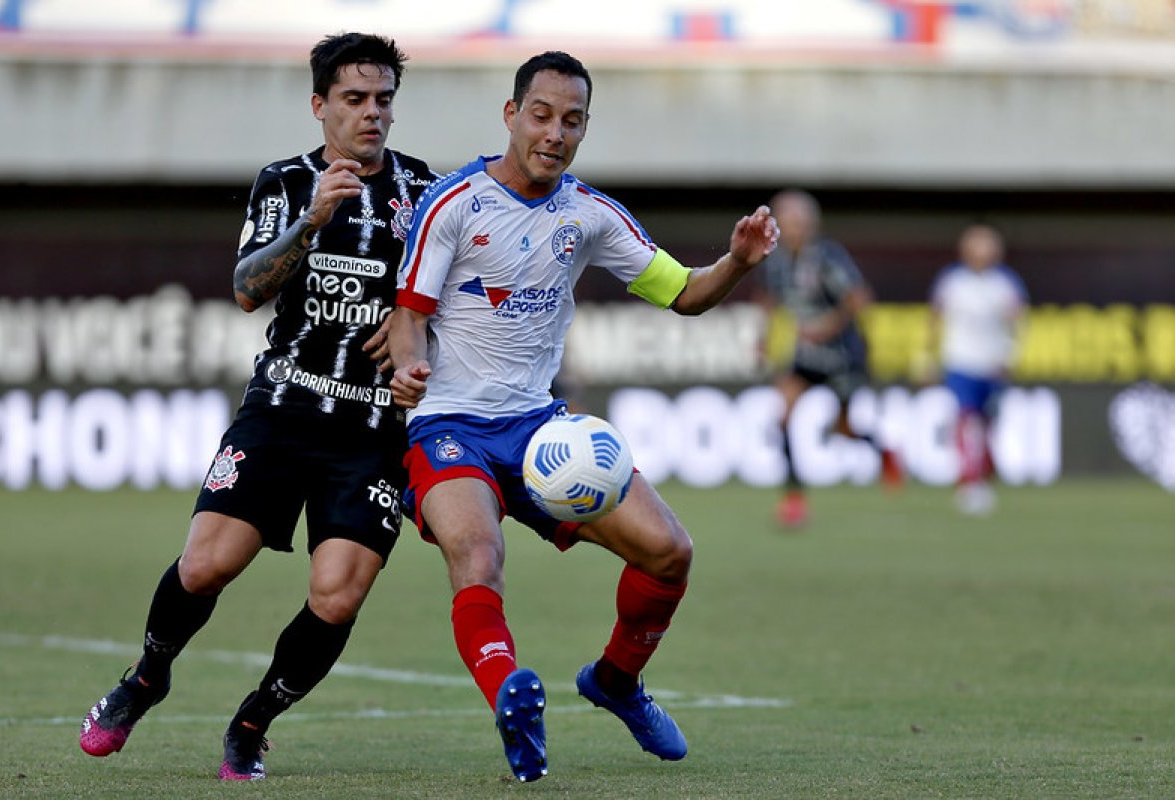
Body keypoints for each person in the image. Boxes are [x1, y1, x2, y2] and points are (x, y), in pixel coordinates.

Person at [383, 51, 778, 783]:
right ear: (510, 115)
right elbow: (408, 317)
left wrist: (739, 263)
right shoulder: (454, 203)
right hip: (449, 426)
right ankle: (510, 699)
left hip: (541, 430)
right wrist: (409, 365)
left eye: (573, 121)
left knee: (671, 552)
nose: (555, 133)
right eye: (541, 114)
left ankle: (616, 682)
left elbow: (684, 294)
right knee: (477, 556)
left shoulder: (590, 215)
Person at [78, 33, 436, 780]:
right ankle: (146, 676)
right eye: (354, 99)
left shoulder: (426, 194)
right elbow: (247, 289)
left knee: (336, 598)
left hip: (370, 429)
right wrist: (311, 223)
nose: (372, 114)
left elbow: (455, 300)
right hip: (282, 409)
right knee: (206, 566)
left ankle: (251, 723)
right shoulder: (284, 182)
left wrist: (413, 332)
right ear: (320, 106)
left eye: (383, 101)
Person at [757, 189, 901, 528]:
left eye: (798, 220)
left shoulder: (827, 257)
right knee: (782, 419)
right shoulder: (775, 261)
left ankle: (884, 452)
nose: (793, 227)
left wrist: (828, 325)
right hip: (805, 356)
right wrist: (762, 339)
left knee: (844, 430)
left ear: (811, 224)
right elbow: (769, 299)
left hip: (841, 356)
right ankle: (794, 499)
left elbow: (859, 297)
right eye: (786, 220)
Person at [928, 223, 1028, 515]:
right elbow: (935, 317)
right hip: (960, 360)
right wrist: (928, 356)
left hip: (992, 362)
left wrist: (1011, 354)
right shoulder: (952, 281)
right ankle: (969, 481)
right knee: (965, 418)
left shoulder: (1005, 283)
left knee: (986, 423)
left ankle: (984, 472)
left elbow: (1017, 320)